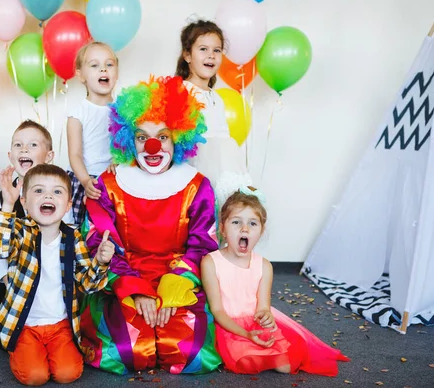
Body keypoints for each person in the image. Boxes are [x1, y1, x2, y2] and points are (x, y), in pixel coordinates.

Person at [79, 75, 222, 375]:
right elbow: (98, 240)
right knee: (128, 352)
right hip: (125, 280)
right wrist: (135, 290)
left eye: (163, 136)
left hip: (179, 279)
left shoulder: (197, 186)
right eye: (142, 137)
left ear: (178, 138)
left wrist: (175, 289)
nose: (153, 145)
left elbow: (203, 245)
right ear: (128, 139)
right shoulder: (109, 185)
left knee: (188, 353)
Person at [0, 164, 115, 385]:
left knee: (68, 374)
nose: (48, 195)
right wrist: (8, 204)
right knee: (35, 377)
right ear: (25, 202)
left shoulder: (74, 239)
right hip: (25, 325)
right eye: (38, 191)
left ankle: (47, 351)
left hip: (61, 326)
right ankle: (15, 345)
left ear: (67, 206)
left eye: (57, 191)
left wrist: (101, 262)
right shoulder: (20, 231)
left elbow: (88, 285)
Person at [201, 188, 350, 375]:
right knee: (246, 362)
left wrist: (265, 317)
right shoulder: (211, 262)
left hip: (254, 323)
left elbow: (263, 307)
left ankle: (264, 350)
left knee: (285, 366)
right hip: (228, 325)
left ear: (261, 231)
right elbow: (218, 310)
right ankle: (249, 349)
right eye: (236, 222)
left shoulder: (263, 266)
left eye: (252, 224)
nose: (244, 229)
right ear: (222, 227)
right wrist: (245, 334)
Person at [0, 120, 54, 349]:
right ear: (10, 155)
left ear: (49, 156)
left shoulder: (58, 191)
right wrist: (4, 277)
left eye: (33, 145)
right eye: (18, 145)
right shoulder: (3, 197)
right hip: (17, 278)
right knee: (7, 340)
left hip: (51, 277)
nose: (24, 149)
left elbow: (68, 234)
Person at [176, 19, 254, 207]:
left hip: (224, 170)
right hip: (198, 170)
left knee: (229, 213)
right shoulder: (182, 91)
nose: (211, 55)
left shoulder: (216, 98)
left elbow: (224, 136)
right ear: (187, 55)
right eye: (203, 49)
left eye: (216, 50)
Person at [66, 41, 118, 227]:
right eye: (95, 65)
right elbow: (75, 155)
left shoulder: (124, 108)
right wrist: (86, 181)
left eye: (109, 64)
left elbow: (131, 143)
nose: (103, 69)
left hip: (116, 178)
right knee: (84, 228)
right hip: (88, 179)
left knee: (116, 228)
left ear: (117, 71)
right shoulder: (78, 112)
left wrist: (121, 161)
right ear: (81, 75)